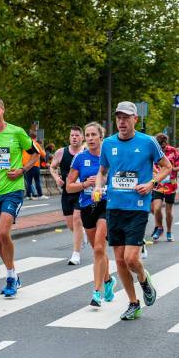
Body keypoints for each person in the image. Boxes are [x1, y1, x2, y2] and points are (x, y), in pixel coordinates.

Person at [94, 101, 171, 320]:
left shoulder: (148, 142)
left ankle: (144, 278)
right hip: (114, 207)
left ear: (135, 119)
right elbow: (102, 171)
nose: (122, 121)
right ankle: (133, 302)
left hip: (137, 207)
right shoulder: (108, 144)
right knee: (119, 260)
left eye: (126, 117)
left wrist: (151, 183)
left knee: (131, 259)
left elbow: (167, 167)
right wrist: (99, 186)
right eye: (119, 117)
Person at [0, 97, 40, 297]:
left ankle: (11, 276)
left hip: (13, 189)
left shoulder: (16, 132)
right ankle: (12, 272)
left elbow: (35, 154)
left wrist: (22, 170)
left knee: (4, 233)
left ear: (2, 109)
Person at [67, 122, 116, 307]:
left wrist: (106, 187)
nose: (90, 138)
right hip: (87, 206)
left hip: (106, 205)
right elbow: (69, 186)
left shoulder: (111, 157)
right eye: (87, 135)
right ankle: (108, 280)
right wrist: (85, 184)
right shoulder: (80, 158)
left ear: (101, 137)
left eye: (93, 135)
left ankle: (96, 293)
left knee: (98, 248)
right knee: (99, 250)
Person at [50, 126, 86, 265]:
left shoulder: (85, 152)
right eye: (72, 135)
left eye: (77, 135)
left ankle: (75, 254)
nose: (74, 138)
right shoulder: (61, 152)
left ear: (82, 137)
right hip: (67, 192)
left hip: (82, 192)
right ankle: (82, 235)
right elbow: (52, 167)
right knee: (71, 225)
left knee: (77, 219)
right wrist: (56, 178)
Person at [151, 133, 179, 242]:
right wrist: (157, 172)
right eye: (160, 147)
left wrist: (169, 169)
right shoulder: (154, 151)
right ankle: (159, 228)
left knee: (169, 211)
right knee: (156, 208)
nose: (162, 148)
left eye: (163, 146)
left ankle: (169, 232)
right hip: (158, 184)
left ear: (166, 143)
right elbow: (151, 165)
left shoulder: (173, 151)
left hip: (171, 185)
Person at [23, 131, 47, 200]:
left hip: (26, 165)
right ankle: (40, 195)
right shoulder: (36, 144)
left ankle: (28, 195)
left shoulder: (25, 144)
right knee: (37, 180)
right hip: (35, 164)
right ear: (35, 138)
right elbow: (43, 154)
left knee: (28, 181)